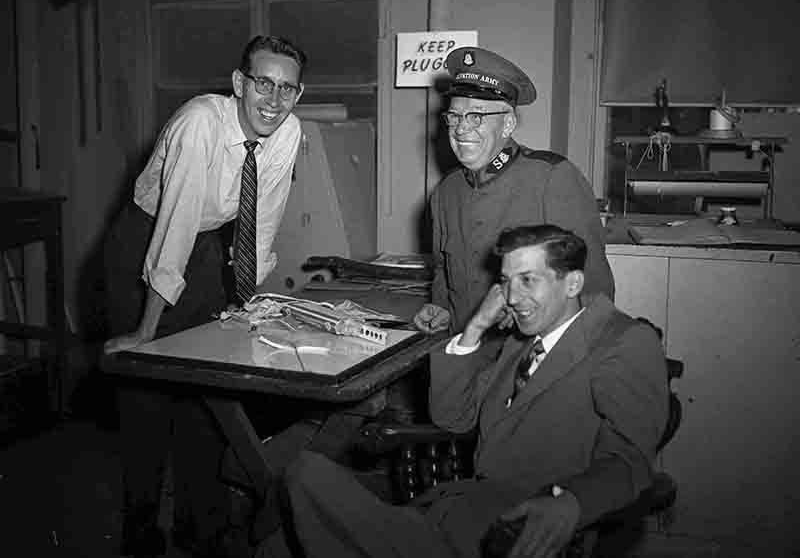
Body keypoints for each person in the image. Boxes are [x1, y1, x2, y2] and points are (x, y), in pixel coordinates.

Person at [283, 224, 668, 558]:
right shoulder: (523, 340)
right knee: (304, 486)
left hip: (516, 534)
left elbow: (631, 458)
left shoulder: (623, 341)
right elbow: (453, 417)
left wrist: (572, 503)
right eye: (505, 282)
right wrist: (475, 328)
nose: (513, 297)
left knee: (305, 479)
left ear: (573, 282)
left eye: (528, 280)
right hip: (455, 514)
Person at [102, 35, 307, 557]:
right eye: (264, 83)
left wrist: (247, 303)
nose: (274, 100)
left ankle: (205, 533)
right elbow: (172, 232)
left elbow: (259, 230)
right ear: (239, 84)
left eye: (287, 89)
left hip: (205, 245)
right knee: (147, 395)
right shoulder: (199, 123)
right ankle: (141, 535)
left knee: (210, 390)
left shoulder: (287, 132)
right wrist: (147, 329)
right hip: (143, 244)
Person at [414, 47, 615, 336]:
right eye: (455, 117)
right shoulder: (447, 192)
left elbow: (593, 289)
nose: (460, 129)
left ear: (508, 123)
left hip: (528, 361)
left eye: (476, 117)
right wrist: (442, 309)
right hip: (462, 355)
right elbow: (444, 272)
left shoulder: (552, 177)